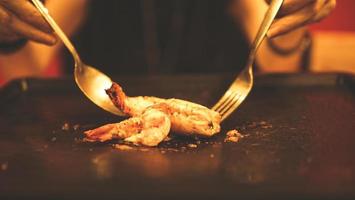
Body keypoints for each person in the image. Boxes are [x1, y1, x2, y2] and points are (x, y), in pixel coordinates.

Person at [0, 0, 336, 84]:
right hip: (100, 162)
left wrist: (288, 18)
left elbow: (279, 63)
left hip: (228, 156)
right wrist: (9, 31)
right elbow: (26, 66)